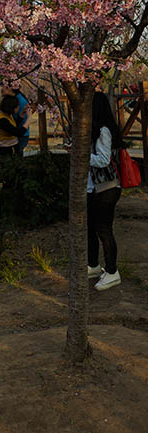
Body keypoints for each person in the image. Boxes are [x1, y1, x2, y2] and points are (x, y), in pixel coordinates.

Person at [87, 91, 124, 291]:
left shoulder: (103, 130)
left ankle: (112, 272)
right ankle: (93, 265)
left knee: (104, 229)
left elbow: (103, 160)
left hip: (107, 188)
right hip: (95, 188)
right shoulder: (94, 129)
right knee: (91, 228)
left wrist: (81, 156)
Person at [0, 94, 29, 161]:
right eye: (17, 106)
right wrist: (29, 118)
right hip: (5, 151)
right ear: (11, 107)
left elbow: (12, 127)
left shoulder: (5, 114)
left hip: (11, 148)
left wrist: (21, 115)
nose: (19, 107)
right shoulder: (2, 120)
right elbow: (19, 132)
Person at [3, 84, 30, 156]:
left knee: (16, 157)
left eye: (4, 87)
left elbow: (20, 121)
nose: (2, 89)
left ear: (11, 88)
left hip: (20, 134)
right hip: (18, 133)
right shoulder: (15, 98)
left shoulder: (19, 100)